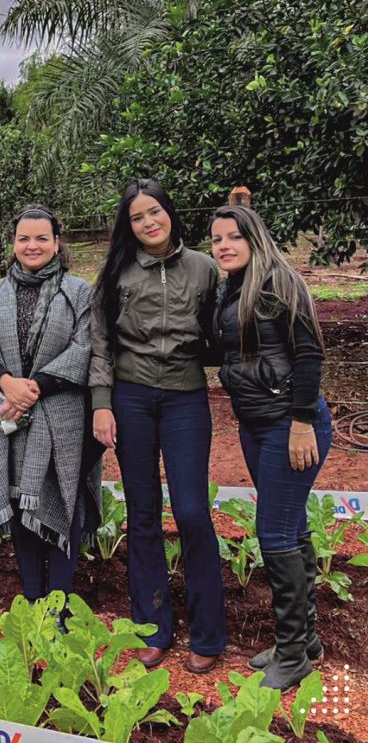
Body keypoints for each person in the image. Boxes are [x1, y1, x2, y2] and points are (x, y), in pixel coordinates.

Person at [90, 179, 226, 673]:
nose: (148, 223)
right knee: (143, 513)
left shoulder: (204, 269)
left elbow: (221, 330)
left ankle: (209, 632)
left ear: (169, 212)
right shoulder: (117, 272)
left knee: (192, 511)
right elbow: (101, 342)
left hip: (186, 398)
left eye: (155, 212)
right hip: (131, 399)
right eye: (137, 218)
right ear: (128, 227)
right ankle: (153, 627)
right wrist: (102, 403)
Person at [0, 207, 101, 619]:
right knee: (18, 500)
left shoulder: (80, 292)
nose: (32, 246)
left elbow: (86, 347)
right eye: (23, 238)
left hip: (63, 414)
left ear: (57, 242)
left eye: (41, 238)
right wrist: (6, 382)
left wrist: (35, 387)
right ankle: (35, 603)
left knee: (63, 498)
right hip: (6, 412)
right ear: (13, 243)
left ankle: (60, 605)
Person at [210, 204, 331, 691]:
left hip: (289, 424)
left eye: (233, 237)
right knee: (293, 527)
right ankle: (306, 641)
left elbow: (309, 352)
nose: (223, 245)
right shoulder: (230, 289)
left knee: (276, 534)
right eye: (216, 238)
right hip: (255, 424)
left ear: (254, 238)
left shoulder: (281, 282)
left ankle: (292, 653)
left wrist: (302, 421)